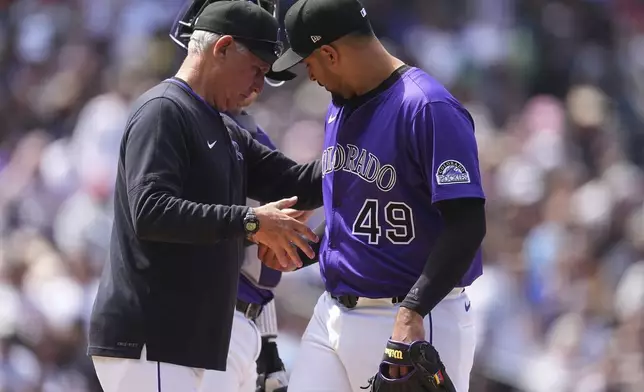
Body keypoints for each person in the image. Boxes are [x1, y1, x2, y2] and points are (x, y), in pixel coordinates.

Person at [87, 2, 324, 391]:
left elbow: (292, 182)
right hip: (154, 334)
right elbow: (151, 211)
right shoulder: (164, 109)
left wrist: (355, 150)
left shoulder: (220, 124)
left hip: (186, 339)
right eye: (257, 70)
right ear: (223, 47)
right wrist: (252, 222)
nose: (259, 86)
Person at [262, 0, 488, 391]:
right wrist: (301, 245)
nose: (309, 75)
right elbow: (352, 203)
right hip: (333, 312)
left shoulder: (428, 107)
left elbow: (467, 225)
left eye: (308, 63)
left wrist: (412, 313)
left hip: (412, 317)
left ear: (330, 53)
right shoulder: (343, 103)